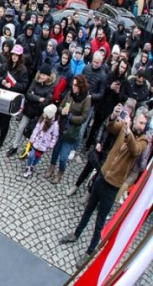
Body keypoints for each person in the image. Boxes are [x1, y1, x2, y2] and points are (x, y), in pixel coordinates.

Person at [60, 106, 147, 266]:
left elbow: (135, 150)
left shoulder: (144, 139)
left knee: (99, 221)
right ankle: (76, 233)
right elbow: (110, 126)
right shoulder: (124, 127)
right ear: (134, 119)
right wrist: (113, 114)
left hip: (113, 186)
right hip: (102, 176)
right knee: (88, 210)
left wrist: (128, 131)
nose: (141, 126)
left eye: (143, 123)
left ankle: (90, 250)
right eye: (139, 122)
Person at [45, 75, 92, 184]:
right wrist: (62, 111)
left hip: (71, 131)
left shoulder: (86, 99)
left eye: (76, 85)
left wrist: (71, 117)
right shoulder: (70, 93)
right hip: (61, 127)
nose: (73, 87)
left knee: (63, 155)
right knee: (55, 150)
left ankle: (60, 172)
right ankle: (51, 168)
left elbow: (84, 118)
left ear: (81, 86)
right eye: (73, 84)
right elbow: (60, 105)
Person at [0, 44, 28, 150]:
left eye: (17, 55)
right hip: (3, 95)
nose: (14, 57)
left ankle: (0, 141)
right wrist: (2, 81)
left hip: (12, 99)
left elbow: (23, 86)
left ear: (20, 56)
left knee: (5, 122)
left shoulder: (23, 70)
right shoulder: (6, 65)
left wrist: (13, 85)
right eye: (13, 54)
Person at [22, 105, 59, 178]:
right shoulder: (42, 118)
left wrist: (51, 145)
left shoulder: (55, 124)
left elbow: (55, 136)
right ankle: (28, 167)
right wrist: (32, 139)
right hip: (36, 141)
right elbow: (36, 129)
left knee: (38, 156)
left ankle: (33, 166)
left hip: (44, 144)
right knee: (31, 155)